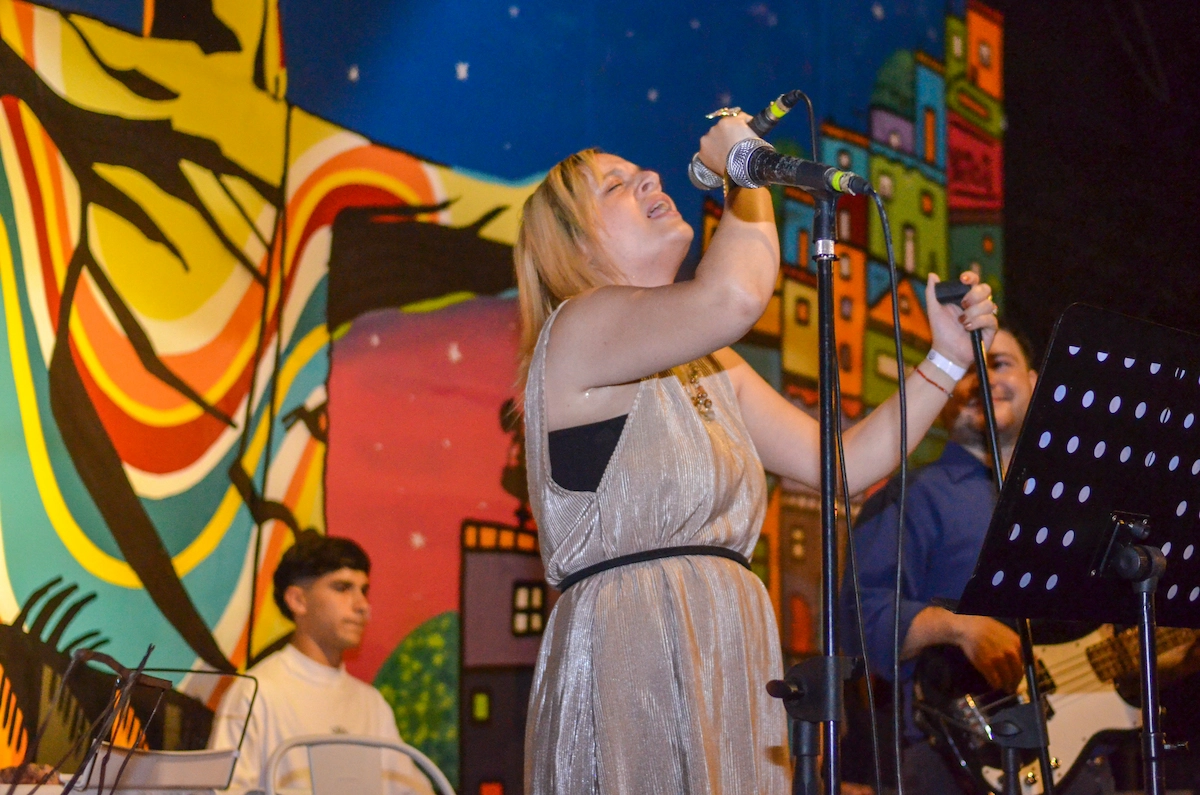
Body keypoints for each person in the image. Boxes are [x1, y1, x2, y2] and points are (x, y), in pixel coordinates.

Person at [514, 111, 996, 793]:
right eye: (615, 185)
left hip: (728, 639)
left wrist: (945, 361)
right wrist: (747, 169)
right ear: (576, 247)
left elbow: (843, 465)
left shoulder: (709, 363)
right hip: (634, 647)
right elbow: (735, 295)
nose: (648, 177)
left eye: (640, 171)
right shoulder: (578, 328)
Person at [842, 327, 1115, 794]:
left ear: (1034, 382)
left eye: (999, 363)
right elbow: (855, 621)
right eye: (966, 369)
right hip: (951, 763)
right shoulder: (908, 495)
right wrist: (959, 628)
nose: (983, 379)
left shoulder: (1075, 504)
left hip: (1085, 765)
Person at [209, 532, 434, 795]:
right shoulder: (255, 692)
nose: (362, 605)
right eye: (342, 588)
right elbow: (224, 791)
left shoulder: (372, 704)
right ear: (298, 600)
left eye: (363, 590)